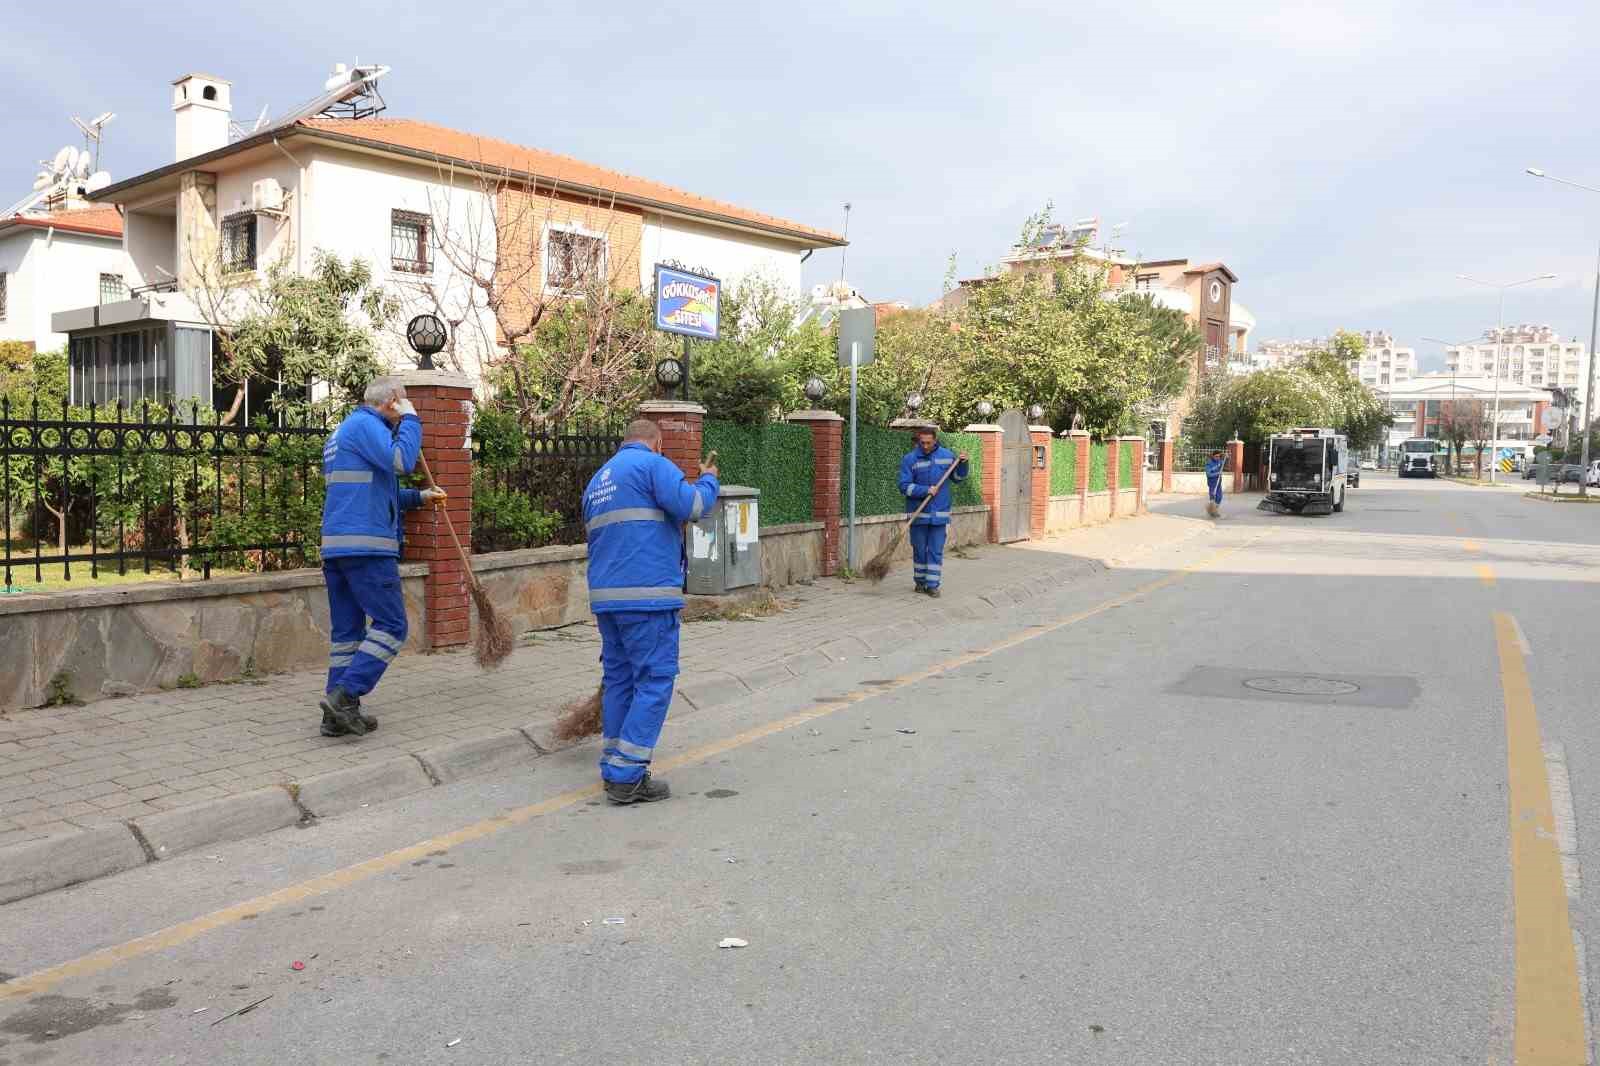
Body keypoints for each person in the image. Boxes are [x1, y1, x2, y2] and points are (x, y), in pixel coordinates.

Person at [583, 419, 719, 805]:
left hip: (607, 599)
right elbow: (692, 506)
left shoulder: (599, 479)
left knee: (620, 679)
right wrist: (708, 479)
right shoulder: (653, 465)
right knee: (655, 679)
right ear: (656, 443)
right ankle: (627, 776)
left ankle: (614, 761)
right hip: (647, 597)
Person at [318, 378, 445, 737]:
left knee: (347, 635)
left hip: (340, 547)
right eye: (401, 402)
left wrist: (421, 498)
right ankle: (346, 695)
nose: (404, 408)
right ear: (391, 402)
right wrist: (413, 419)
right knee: (393, 626)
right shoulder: (366, 425)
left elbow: (375, 491)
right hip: (368, 549)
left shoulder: (343, 432)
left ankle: (336, 715)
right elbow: (402, 460)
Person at [896, 427, 970, 598]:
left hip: (939, 514)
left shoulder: (947, 456)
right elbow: (904, 486)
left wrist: (963, 464)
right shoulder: (910, 459)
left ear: (935, 440)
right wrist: (925, 490)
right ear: (918, 441)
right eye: (922, 443)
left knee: (935, 551)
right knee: (920, 550)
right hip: (918, 515)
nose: (926, 446)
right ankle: (920, 582)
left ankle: (932, 585)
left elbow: (958, 479)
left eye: (929, 442)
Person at [1205, 449, 1227, 518]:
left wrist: (1226, 456)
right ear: (1213, 456)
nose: (1218, 458)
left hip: (1218, 482)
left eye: (1219, 456)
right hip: (1212, 483)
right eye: (1216, 456)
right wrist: (1218, 473)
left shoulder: (1220, 462)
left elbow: (1225, 461)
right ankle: (1213, 512)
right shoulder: (1209, 464)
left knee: (1219, 497)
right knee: (1213, 498)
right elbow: (1208, 474)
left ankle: (1214, 510)